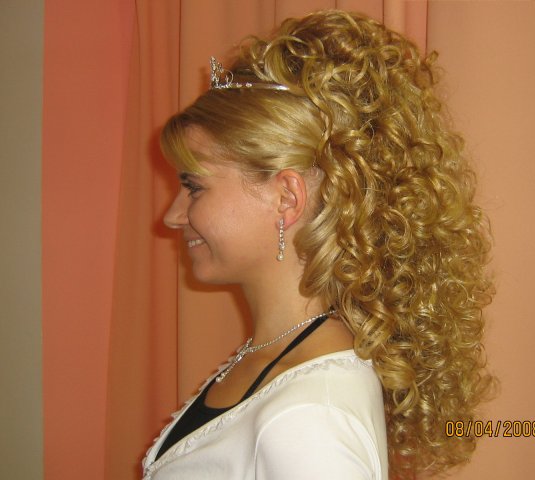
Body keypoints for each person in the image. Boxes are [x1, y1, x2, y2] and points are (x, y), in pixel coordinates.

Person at [142, 9, 494, 480]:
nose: (172, 215)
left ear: (286, 198)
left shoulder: (308, 420)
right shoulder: (281, 358)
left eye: (194, 187)